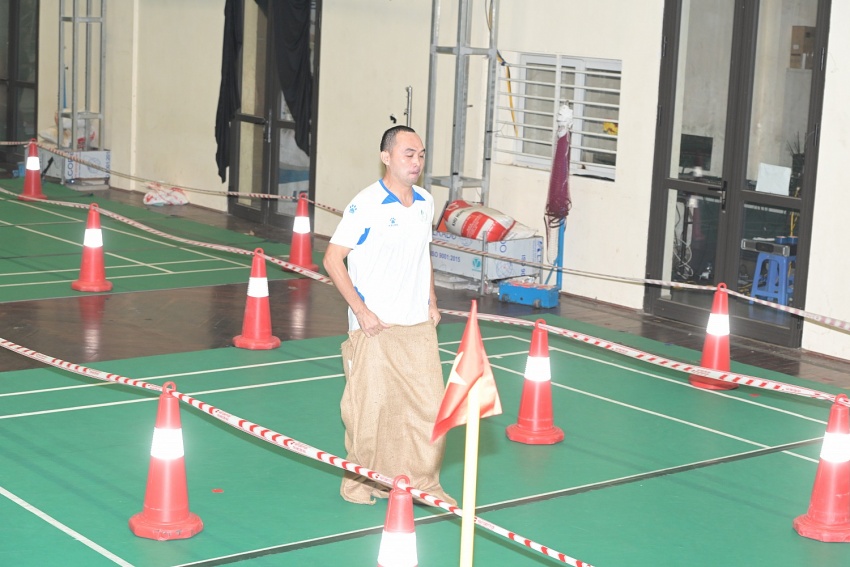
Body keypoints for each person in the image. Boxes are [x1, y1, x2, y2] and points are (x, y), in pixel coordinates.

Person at [323, 125, 455, 506]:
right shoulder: (365, 204)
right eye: (408, 154)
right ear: (386, 157)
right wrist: (361, 311)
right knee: (370, 413)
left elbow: (423, 254)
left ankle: (422, 482)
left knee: (429, 408)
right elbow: (332, 259)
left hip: (416, 326)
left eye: (421, 155)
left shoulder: (426, 202)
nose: (416, 162)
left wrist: (431, 299)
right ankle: (362, 483)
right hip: (375, 328)